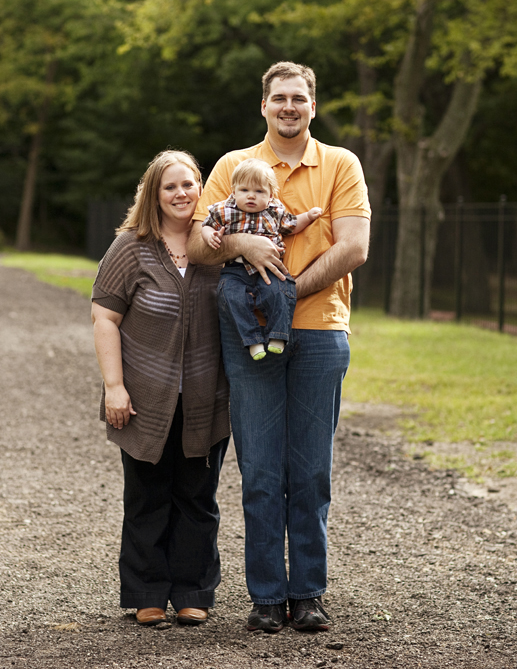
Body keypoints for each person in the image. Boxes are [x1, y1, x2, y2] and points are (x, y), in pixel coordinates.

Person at [188, 62, 370, 633]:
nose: (289, 107)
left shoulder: (341, 164)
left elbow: (354, 247)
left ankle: (308, 593)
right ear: (263, 105)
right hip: (247, 335)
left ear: (313, 106)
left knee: (311, 473)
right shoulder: (233, 166)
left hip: (320, 330)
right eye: (279, 98)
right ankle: (266, 597)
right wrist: (241, 243)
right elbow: (197, 242)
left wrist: (286, 292)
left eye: (298, 98)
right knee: (262, 472)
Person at [91, 150, 230, 627]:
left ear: (201, 189)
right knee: (147, 497)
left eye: (188, 184)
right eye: (170, 186)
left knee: (198, 497)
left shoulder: (218, 245)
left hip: (207, 398)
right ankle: (147, 592)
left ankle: (193, 591)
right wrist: (114, 386)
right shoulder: (130, 247)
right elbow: (104, 318)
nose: (180, 193)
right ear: (154, 194)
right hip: (143, 399)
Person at [201, 157, 322, 360]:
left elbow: (292, 225)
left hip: (269, 267)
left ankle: (278, 335)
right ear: (233, 191)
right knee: (230, 296)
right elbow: (206, 225)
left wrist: (308, 216)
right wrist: (209, 236)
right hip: (236, 269)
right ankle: (252, 340)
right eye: (244, 190)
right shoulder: (224, 210)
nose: (251, 196)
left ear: (271, 195)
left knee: (280, 292)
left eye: (259, 191)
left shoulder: (274, 211)